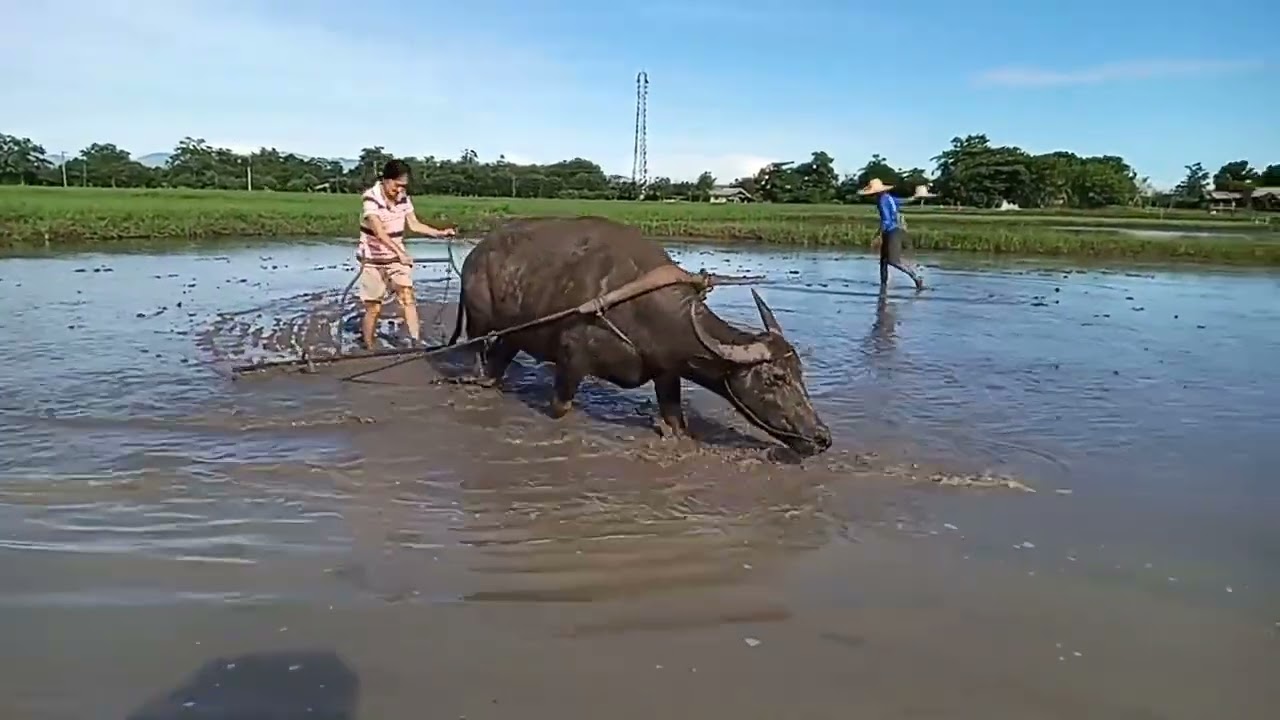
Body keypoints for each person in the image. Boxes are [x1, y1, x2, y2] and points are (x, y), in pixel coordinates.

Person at [357, 158, 456, 350]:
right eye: (397, 185)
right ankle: (368, 346)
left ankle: (415, 342)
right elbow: (379, 232)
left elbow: (414, 224)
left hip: (396, 258)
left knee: (407, 297)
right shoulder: (371, 198)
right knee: (374, 307)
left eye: (404, 186)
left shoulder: (403, 198)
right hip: (372, 259)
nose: (400, 190)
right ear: (386, 180)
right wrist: (400, 253)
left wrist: (440, 233)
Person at [857, 177, 925, 291]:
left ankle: (916, 277)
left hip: (892, 231)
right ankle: (883, 286)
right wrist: (914, 197)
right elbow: (903, 201)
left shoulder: (882, 201)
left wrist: (878, 235)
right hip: (895, 229)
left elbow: (886, 220)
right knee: (883, 260)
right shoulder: (889, 198)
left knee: (893, 260)